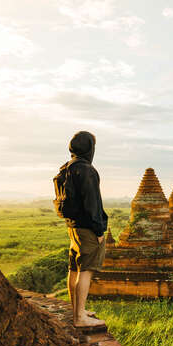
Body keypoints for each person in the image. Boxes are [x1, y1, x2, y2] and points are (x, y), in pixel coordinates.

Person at [59, 131, 109, 328]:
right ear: (90, 148)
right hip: (87, 227)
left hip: (73, 226)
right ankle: (80, 318)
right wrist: (98, 230)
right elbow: (92, 203)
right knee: (86, 270)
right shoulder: (87, 170)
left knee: (74, 269)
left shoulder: (66, 168)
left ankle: (77, 310)